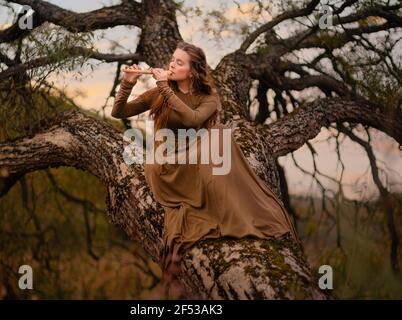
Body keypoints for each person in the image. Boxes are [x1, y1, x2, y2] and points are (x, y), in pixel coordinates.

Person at [111, 41, 301, 294]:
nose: (171, 64)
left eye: (179, 62)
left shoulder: (208, 98)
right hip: (164, 164)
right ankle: (211, 199)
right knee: (216, 137)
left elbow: (193, 118)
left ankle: (228, 206)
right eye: (172, 59)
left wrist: (164, 87)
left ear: (192, 71)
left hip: (192, 156)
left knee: (220, 134)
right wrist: (128, 83)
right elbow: (118, 111)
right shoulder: (160, 92)